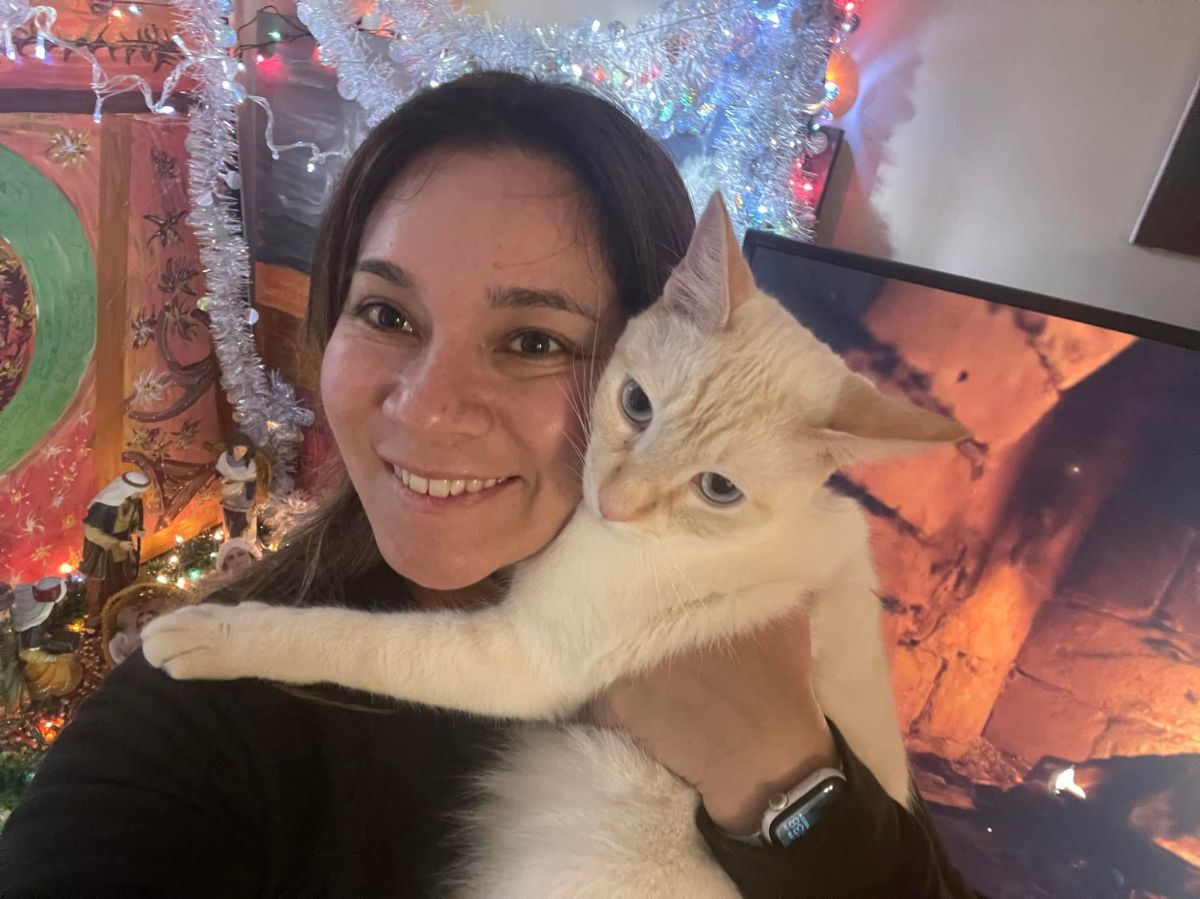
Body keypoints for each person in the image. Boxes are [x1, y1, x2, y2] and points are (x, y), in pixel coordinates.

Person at [0, 72, 979, 897]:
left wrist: (784, 780)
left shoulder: (785, 632)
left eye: (534, 340)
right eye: (386, 314)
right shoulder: (198, 711)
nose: (429, 410)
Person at [79, 470, 149, 631]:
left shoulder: (134, 502)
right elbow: (91, 532)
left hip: (122, 549)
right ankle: (94, 620)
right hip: (101, 551)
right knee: (99, 587)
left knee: (120, 580)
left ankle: (117, 613)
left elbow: (131, 523)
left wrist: (137, 530)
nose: (140, 496)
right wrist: (116, 543)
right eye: (137, 492)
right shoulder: (103, 506)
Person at [215, 434, 260, 543]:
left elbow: (251, 483)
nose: (240, 453)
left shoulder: (249, 465)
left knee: (239, 531)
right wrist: (222, 480)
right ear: (232, 448)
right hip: (228, 501)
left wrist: (250, 504)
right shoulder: (224, 460)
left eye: (243, 450)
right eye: (237, 449)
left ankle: (240, 546)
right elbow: (218, 475)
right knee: (229, 528)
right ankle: (232, 544)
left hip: (243, 504)